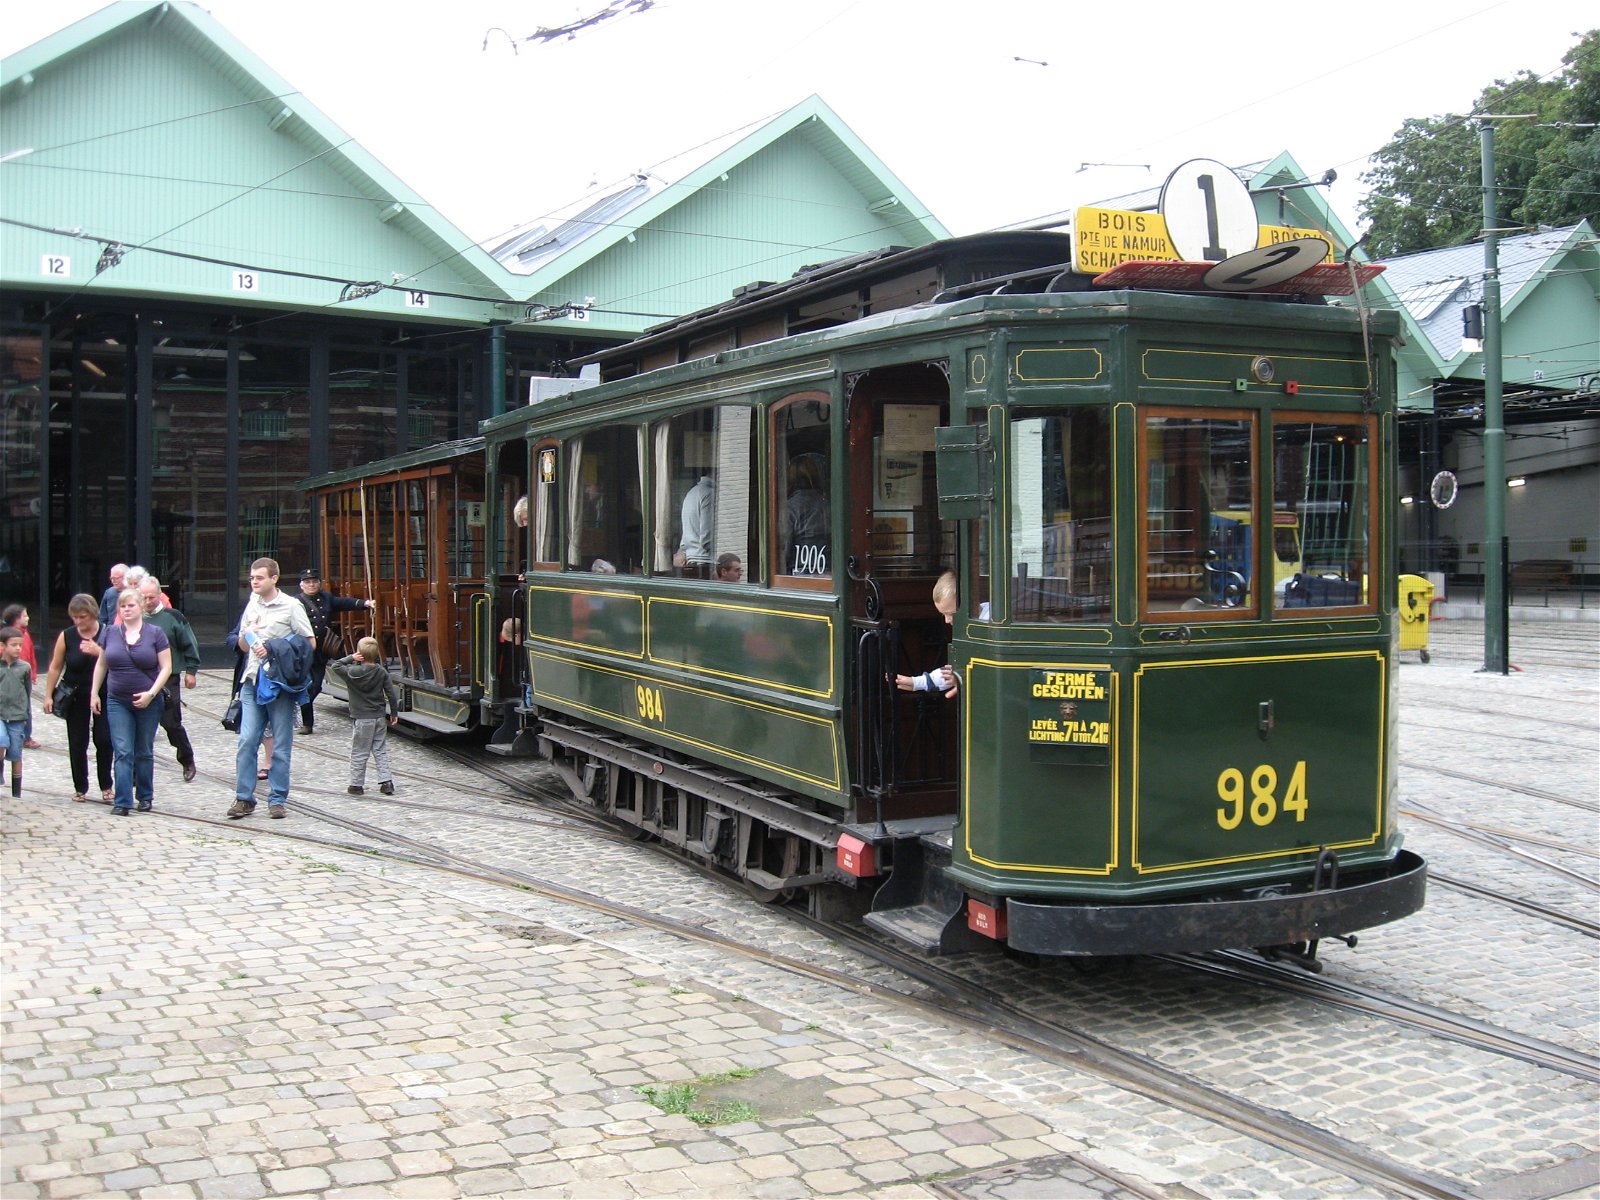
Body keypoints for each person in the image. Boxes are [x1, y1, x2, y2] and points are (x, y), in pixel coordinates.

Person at [228, 558, 313, 820]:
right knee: (247, 740)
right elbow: (243, 647)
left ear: (274, 578)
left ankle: (277, 799)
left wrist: (276, 648)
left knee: (280, 745)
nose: (254, 581)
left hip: (279, 685)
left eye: (259, 577)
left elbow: (309, 643)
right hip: (253, 681)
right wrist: (247, 635)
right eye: (252, 577)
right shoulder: (252, 604)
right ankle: (244, 798)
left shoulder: (291, 606)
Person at [90, 589, 171, 815]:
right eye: (122, 606)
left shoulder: (156, 633)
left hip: (149, 701)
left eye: (131, 605)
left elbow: (166, 667)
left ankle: (145, 795)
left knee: (143, 750)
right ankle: (123, 801)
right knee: (122, 750)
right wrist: (95, 693)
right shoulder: (111, 633)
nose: (126, 609)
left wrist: (151, 694)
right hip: (117, 700)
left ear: (141, 607)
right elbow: (102, 664)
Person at [42, 594, 114, 804]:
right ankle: (80, 786)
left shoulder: (107, 633)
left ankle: (106, 784)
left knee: (104, 738)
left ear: (93, 614)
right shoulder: (67, 636)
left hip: (102, 691)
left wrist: (98, 651)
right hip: (75, 693)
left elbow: (117, 659)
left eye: (82, 617)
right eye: (74, 617)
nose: (78, 622)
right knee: (77, 741)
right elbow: (55, 666)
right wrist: (48, 695)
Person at [293, 568, 375, 734]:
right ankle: (307, 724)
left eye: (314, 581)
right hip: (301, 651)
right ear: (301, 585)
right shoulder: (295, 602)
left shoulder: (326, 598)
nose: (311, 585)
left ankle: (301, 708)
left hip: (321, 651)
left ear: (319, 583)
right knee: (304, 685)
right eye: (307, 582)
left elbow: (344, 603)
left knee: (315, 687)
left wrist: (365, 603)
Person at [137, 576, 200, 783]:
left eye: (152, 597)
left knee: (171, 723)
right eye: (144, 597)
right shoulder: (134, 617)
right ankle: (136, 772)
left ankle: (186, 758)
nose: (148, 601)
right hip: (140, 676)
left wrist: (191, 670)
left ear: (160, 596)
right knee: (139, 726)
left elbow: (188, 643)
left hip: (168, 677)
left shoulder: (173, 617)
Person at [894, 571, 988, 697]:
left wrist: (963, 680)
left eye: (951, 614)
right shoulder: (966, 627)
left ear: (969, 602)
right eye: (944, 614)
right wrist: (917, 682)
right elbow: (952, 670)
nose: (947, 620)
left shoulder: (989, 622)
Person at [328, 637, 399, 796]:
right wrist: (394, 713)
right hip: (379, 717)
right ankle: (386, 781)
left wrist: (351, 657)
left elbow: (336, 665)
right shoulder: (381, 671)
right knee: (380, 750)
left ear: (360, 653)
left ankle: (356, 784)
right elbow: (391, 694)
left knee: (360, 751)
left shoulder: (352, 672)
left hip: (361, 718)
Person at [1, 603, 41, 748]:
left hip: (24, 675)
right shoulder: (10, 636)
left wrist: (33, 672)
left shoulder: (25, 634)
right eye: (24, 615)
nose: (28, 618)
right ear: (16, 619)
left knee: (26, 706)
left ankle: (26, 735)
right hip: (13, 676)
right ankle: (21, 736)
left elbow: (30, 654)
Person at [0, 625, 31, 797]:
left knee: (15, 753)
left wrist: (26, 715)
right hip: (0, 714)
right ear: (3, 646)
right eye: (14, 645)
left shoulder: (24, 668)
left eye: (20, 645)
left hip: (18, 716)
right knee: (0, 740)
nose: (18, 648)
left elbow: (26, 692)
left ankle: (16, 792)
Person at [784, 457, 829, 576]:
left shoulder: (789, 507)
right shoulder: (827, 504)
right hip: (827, 570)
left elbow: (784, 549)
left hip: (799, 572)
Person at [674, 473, 714, 570]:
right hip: (705, 559)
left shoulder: (692, 492)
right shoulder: (709, 493)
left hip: (692, 556)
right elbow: (706, 535)